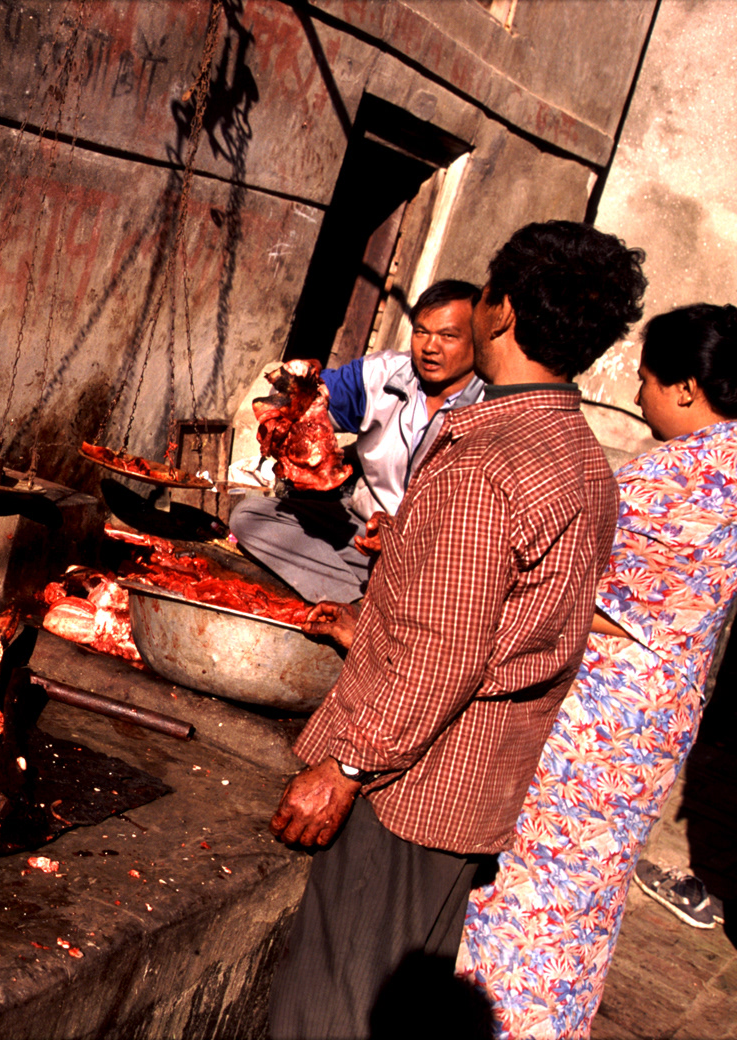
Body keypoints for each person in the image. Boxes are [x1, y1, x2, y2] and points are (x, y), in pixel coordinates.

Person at [264, 220, 647, 1040]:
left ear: (498, 312)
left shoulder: (487, 460)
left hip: (413, 789)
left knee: (334, 1011)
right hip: (473, 785)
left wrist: (346, 764)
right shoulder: (580, 455)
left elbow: (445, 651)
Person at [460, 303, 737, 1039]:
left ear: (685, 387)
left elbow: (579, 589)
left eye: (645, 380)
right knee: (585, 896)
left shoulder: (680, 476)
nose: (639, 396)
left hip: (599, 717)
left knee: (531, 889)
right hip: (658, 712)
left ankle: (502, 1022)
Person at [231, 280, 484, 604]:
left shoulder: (491, 407)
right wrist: (292, 396)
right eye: (421, 331)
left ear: (476, 338)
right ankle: (355, 607)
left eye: (448, 336)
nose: (430, 346)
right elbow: (310, 399)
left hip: (434, 561)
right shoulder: (385, 374)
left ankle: (377, 605)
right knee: (251, 517)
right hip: (362, 536)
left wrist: (407, 534)